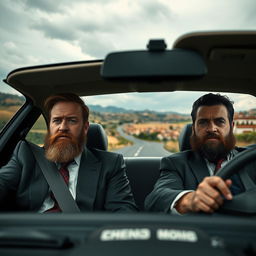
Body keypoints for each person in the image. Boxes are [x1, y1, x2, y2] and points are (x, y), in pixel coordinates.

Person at [0, 93, 137, 212]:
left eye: (72, 120)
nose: (63, 127)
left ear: (85, 128)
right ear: (50, 127)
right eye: (57, 121)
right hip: (31, 237)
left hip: (82, 237)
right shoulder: (25, 155)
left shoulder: (110, 164)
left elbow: (124, 211)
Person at [145, 93, 256, 214]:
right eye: (203, 122)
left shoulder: (251, 159)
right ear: (193, 129)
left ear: (231, 126)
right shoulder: (176, 163)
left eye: (220, 121)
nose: (212, 128)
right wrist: (190, 200)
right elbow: (156, 198)